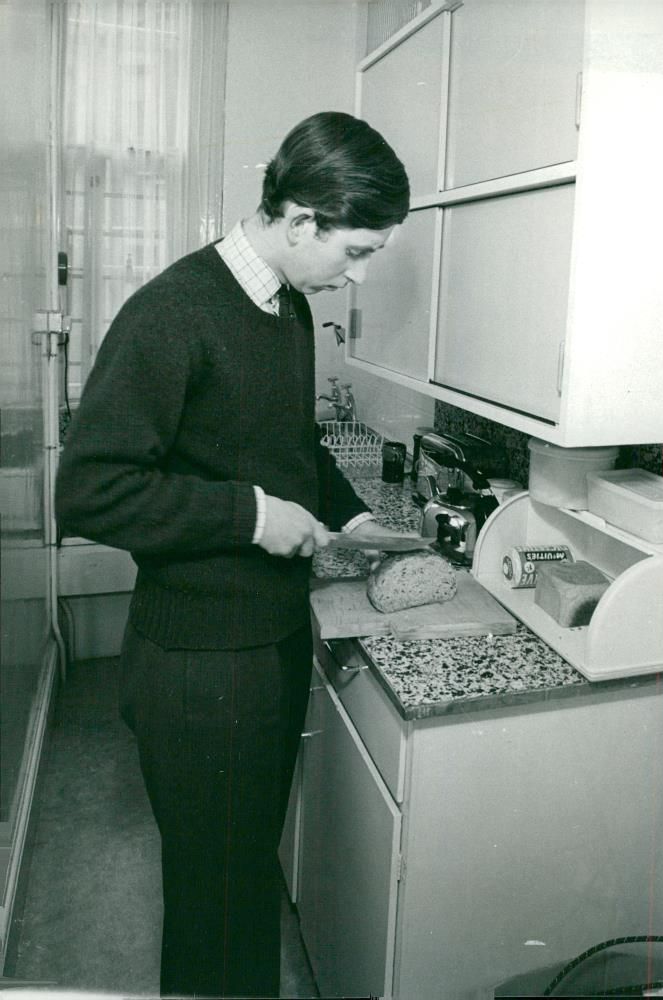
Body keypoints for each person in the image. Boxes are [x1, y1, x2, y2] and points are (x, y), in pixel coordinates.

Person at [55, 110, 410, 998]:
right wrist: (250, 517)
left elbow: (291, 447)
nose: (356, 276)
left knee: (241, 878)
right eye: (356, 251)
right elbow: (91, 489)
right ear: (300, 222)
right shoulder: (174, 312)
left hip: (262, 646)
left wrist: (357, 520)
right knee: (215, 904)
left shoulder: (283, 308)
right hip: (199, 667)